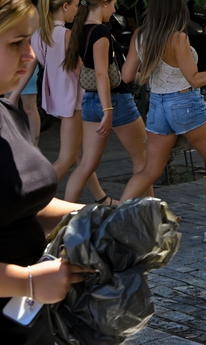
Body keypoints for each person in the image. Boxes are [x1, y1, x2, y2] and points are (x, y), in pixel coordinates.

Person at [118, 0, 206, 242]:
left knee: (149, 170)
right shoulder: (178, 38)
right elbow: (195, 79)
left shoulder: (141, 34)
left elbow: (128, 76)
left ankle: (115, 219)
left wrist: (150, 75)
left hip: (158, 106)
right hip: (185, 103)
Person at [0, 1, 95, 343]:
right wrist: (26, 281)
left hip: (31, 322)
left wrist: (97, 218)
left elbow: (22, 205)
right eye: (16, 43)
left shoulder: (8, 115)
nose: (30, 55)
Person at [62, 0, 152, 204]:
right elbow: (102, 74)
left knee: (86, 165)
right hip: (114, 100)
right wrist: (108, 110)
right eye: (113, 4)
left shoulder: (79, 29)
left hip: (90, 100)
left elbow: (84, 70)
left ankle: (64, 220)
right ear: (103, 3)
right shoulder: (100, 31)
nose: (115, 9)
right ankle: (152, 215)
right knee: (143, 161)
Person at [31, 0, 116, 205]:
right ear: (65, 6)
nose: (79, 10)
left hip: (58, 98)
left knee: (80, 156)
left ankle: (101, 198)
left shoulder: (38, 35)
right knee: (69, 157)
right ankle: (33, 199)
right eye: (76, 5)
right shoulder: (66, 35)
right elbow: (79, 70)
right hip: (74, 99)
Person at [7, 0, 40, 146]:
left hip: (27, 63)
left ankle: (34, 144)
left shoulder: (31, 11)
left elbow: (33, 41)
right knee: (8, 105)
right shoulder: (12, 9)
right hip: (12, 62)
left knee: (29, 107)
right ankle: (11, 142)